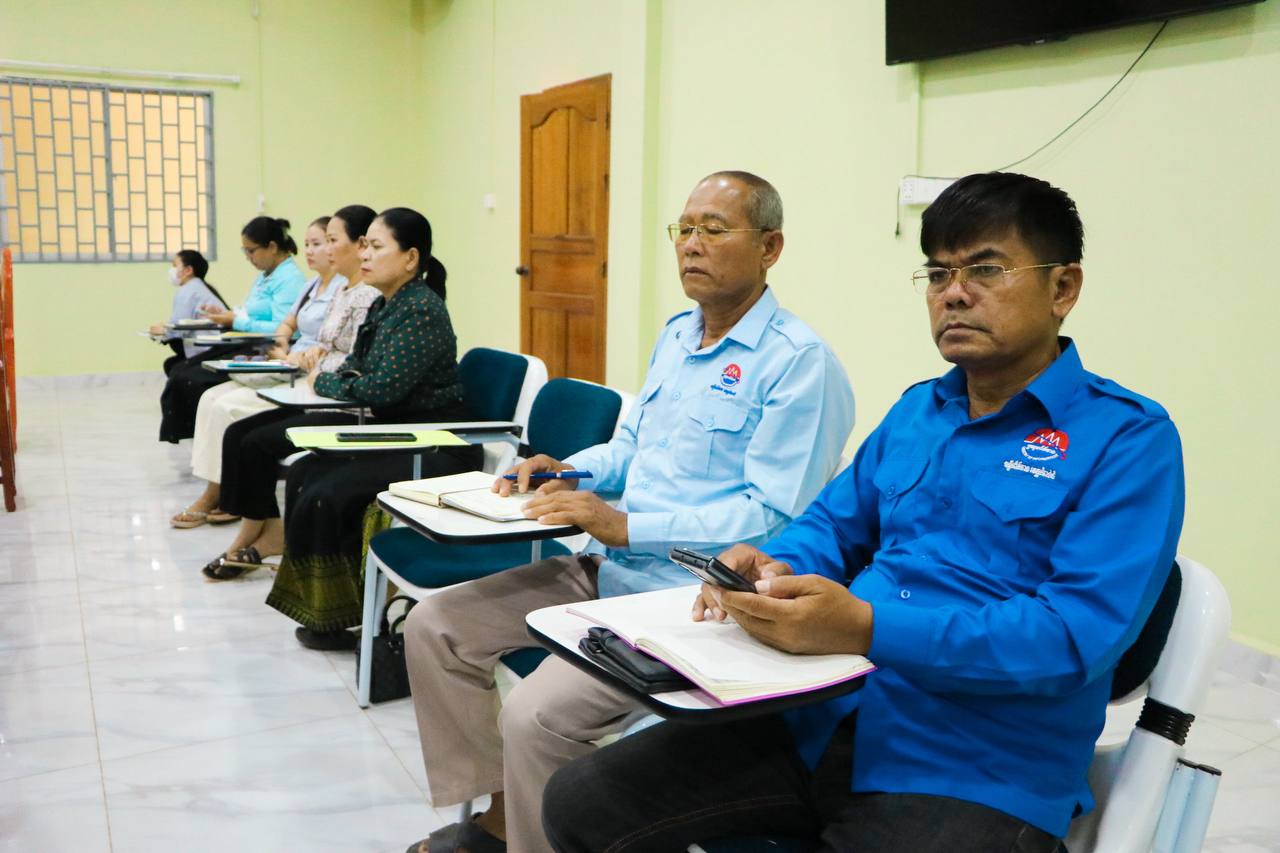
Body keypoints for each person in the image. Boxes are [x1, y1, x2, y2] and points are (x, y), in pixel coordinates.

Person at [541, 173, 1186, 853]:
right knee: (580, 801)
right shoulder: (918, 411)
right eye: (938, 273)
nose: (954, 292)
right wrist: (775, 563)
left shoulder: (1127, 440)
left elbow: (1070, 638)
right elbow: (832, 525)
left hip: (978, 767)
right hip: (820, 713)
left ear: (1063, 288)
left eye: (986, 269)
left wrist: (868, 628)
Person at [402, 171, 856, 853]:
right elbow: (631, 446)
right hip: (608, 569)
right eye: (685, 229)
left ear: (770, 247)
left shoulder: (799, 365)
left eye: (714, 229)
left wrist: (625, 526)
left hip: (689, 601)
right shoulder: (677, 337)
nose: (691, 244)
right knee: (436, 625)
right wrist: (569, 469)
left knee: (534, 717)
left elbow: (771, 517)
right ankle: (502, 818)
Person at [209, 207, 482, 648]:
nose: (364, 254)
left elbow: (380, 389)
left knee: (329, 493)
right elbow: (358, 369)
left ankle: (344, 615)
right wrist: (342, 379)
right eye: (365, 245)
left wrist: (324, 380)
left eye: (376, 246)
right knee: (304, 473)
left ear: (410, 258)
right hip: (398, 433)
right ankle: (326, 609)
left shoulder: (420, 310)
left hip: (436, 444)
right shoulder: (385, 304)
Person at [170, 209, 380, 529]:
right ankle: (222, 494)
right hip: (294, 362)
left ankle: (224, 496)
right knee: (209, 396)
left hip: (311, 376)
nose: (312, 250)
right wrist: (287, 347)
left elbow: (344, 353)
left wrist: (301, 355)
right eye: (310, 243)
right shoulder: (322, 287)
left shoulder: (362, 293)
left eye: (324, 242)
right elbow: (292, 326)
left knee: (228, 410)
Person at [157, 216, 307, 443]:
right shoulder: (265, 276)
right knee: (180, 370)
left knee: (193, 379)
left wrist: (236, 321)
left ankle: (209, 440)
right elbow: (250, 311)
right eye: (245, 251)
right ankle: (199, 441)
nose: (248, 257)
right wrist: (226, 314)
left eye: (251, 251)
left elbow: (282, 329)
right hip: (249, 340)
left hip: (267, 347)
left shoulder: (290, 279)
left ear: (272, 247)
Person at [147, 249, 226, 375]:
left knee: (174, 368)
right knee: (172, 364)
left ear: (188, 270)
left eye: (174, 265)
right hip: (218, 348)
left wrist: (163, 331)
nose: (171, 270)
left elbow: (179, 328)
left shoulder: (189, 290)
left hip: (211, 351)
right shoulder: (198, 287)